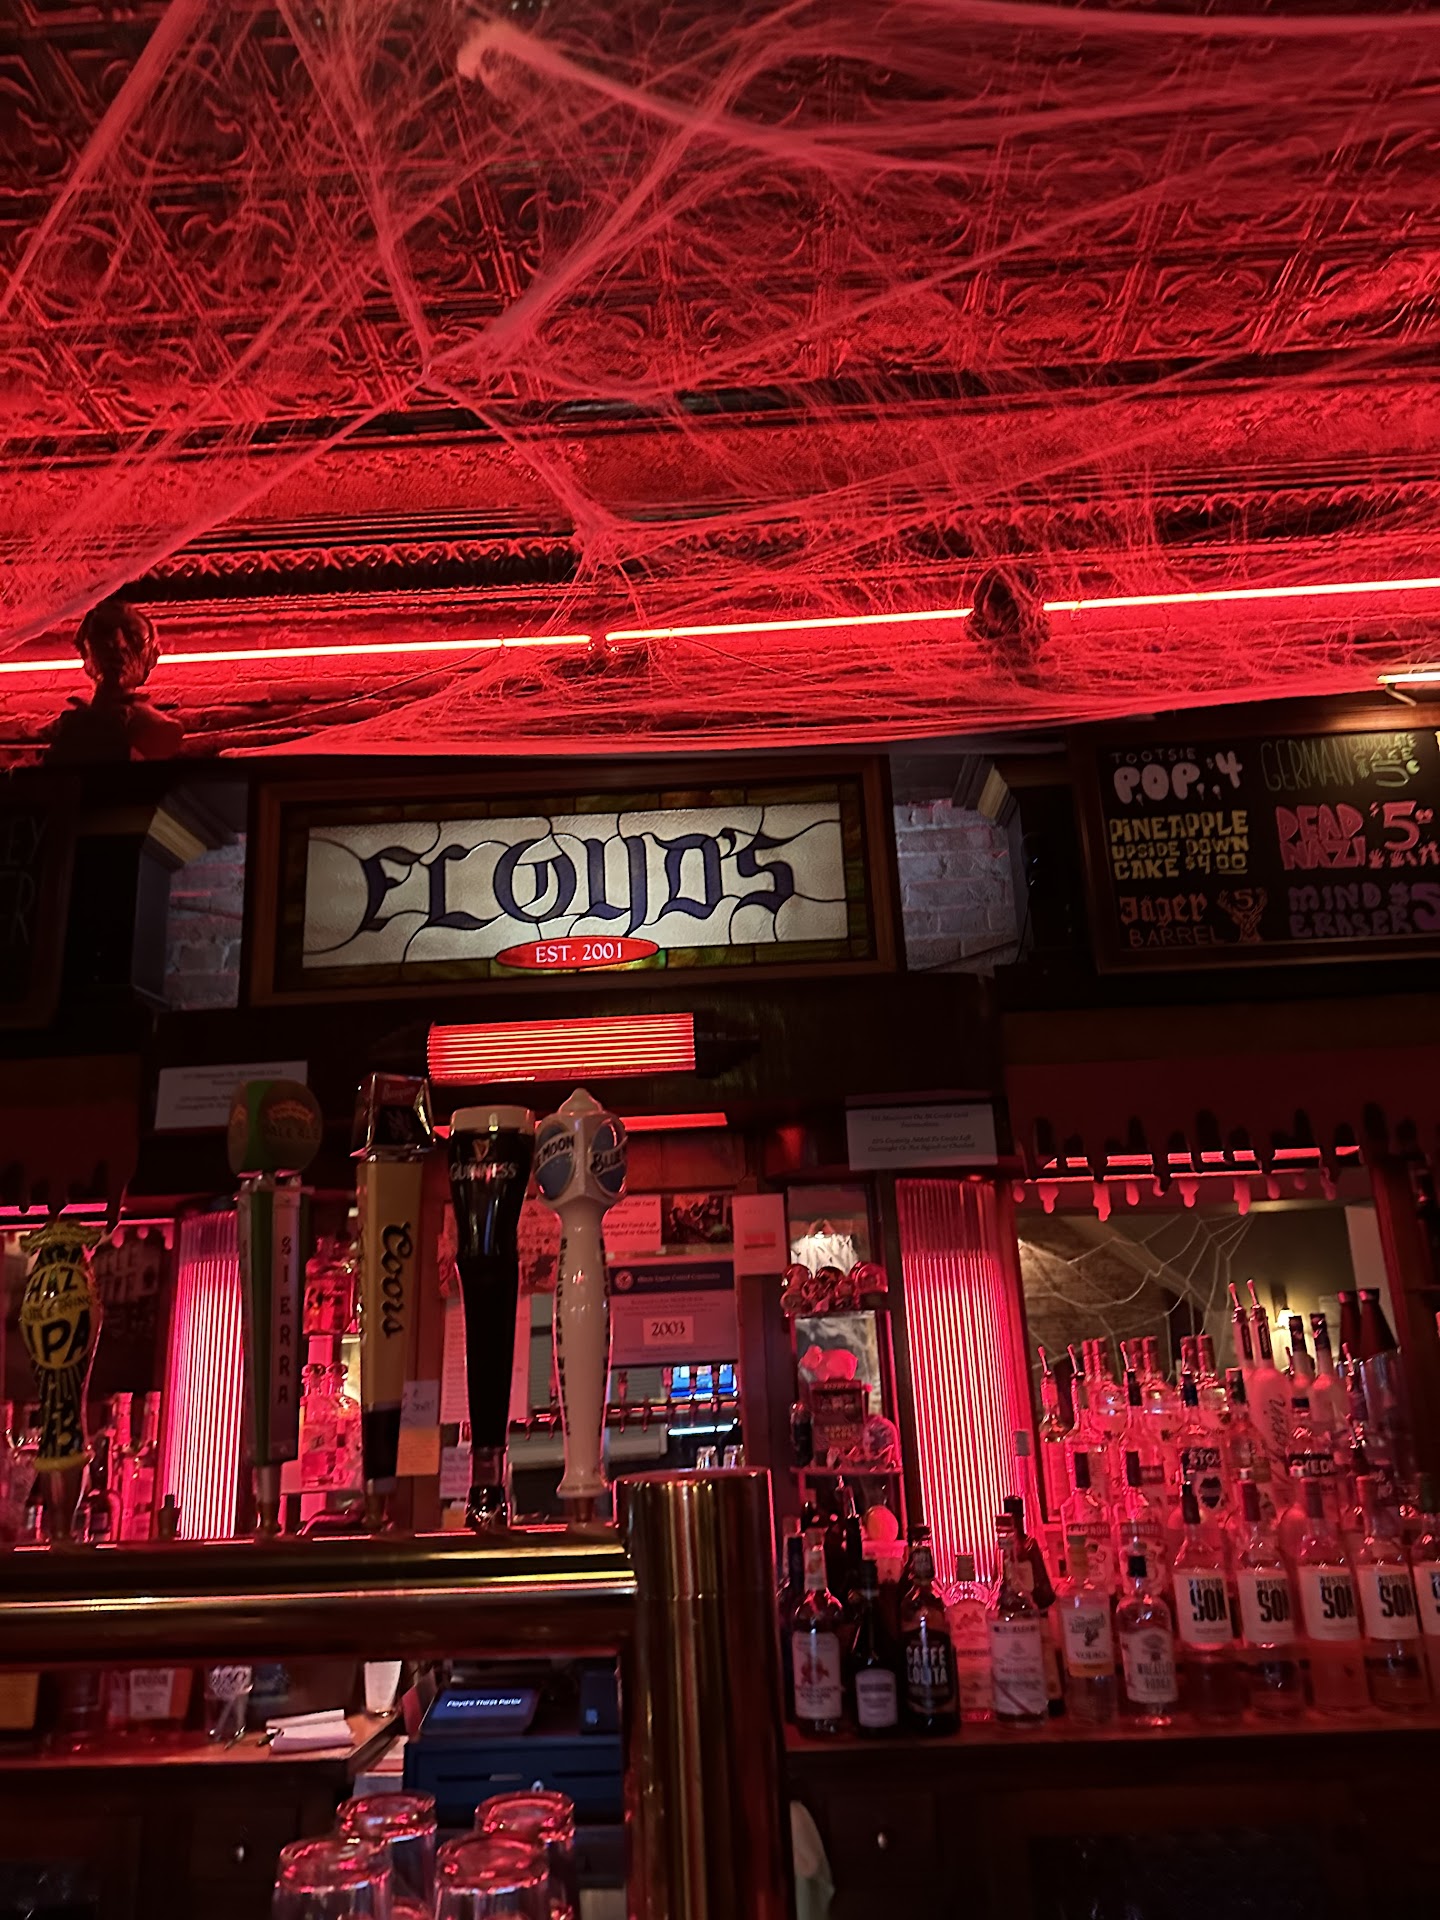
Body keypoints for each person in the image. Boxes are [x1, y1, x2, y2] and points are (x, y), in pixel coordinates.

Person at [45, 599, 183, 763]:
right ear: (84, 653)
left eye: (133, 637)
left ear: (152, 656)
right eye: (103, 634)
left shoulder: (157, 727)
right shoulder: (69, 728)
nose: (118, 644)